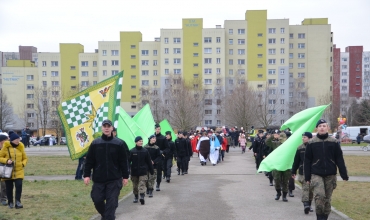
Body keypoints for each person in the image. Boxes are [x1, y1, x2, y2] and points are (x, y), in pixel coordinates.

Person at [83, 119, 129, 219]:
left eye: (109, 126)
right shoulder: (95, 143)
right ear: (102, 128)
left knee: (111, 203)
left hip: (114, 179)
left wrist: (125, 176)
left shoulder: (119, 144)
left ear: (112, 128)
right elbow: (89, 160)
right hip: (99, 179)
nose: (107, 128)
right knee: (97, 199)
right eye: (105, 126)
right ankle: (107, 216)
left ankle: (108, 216)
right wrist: (86, 175)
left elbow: (123, 162)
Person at [304, 119, 348, 220]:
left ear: (327, 127)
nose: (322, 128)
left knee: (327, 199)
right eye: (320, 126)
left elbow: (339, 159)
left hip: (330, 174)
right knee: (319, 196)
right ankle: (319, 217)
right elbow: (307, 161)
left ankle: (324, 217)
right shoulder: (311, 143)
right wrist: (307, 177)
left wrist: (343, 174)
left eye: (324, 126)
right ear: (317, 128)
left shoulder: (333, 142)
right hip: (316, 174)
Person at [0, 132, 28, 209]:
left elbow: (25, 158)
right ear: (12, 140)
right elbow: (0, 157)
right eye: (16, 139)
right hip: (8, 172)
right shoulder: (5, 147)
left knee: (19, 186)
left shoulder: (21, 147)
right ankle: (10, 202)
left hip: (19, 171)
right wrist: (6, 160)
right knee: (9, 188)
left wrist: (23, 164)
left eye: (18, 139)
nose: (17, 140)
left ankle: (18, 202)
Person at [292, 132, 314, 214]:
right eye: (302, 137)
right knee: (305, 188)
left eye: (304, 137)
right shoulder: (300, 148)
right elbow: (296, 161)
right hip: (303, 172)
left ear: (309, 138)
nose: (303, 138)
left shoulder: (314, 147)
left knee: (311, 190)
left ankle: (309, 204)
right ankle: (306, 204)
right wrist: (293, 171)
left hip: (313, 172)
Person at [266, 130, 290, 202]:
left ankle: (285, 195)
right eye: (280, 139)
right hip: (277, 165)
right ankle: (278, 193)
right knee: (277, 180)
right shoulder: (276, 144)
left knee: (285, 181)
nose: (281, 140)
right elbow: (267, 142)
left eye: (283, 139)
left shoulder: (289, 145)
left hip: (286, 165)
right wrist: (273, 136)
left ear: (286, 138)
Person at [129, 136, 154, 205]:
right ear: (136, 142)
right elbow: (128, 161)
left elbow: (149, 161)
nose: (141, 142)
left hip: (143, 171)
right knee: (135, 185)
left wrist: (151, 170)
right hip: (134, 171)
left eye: (142, 141)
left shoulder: (145, 151)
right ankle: (136, 196)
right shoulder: (132, 151)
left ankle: (142, 196)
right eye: (139, 141)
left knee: (142, 184)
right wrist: (128, 170)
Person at [154, 124, 169, 191]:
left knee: (159, 172)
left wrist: (162, 152)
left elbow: (167, 148)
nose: (158, 130)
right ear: (155, 129)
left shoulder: (163, 138)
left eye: (159, 129)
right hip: (152, 157)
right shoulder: (152, 137)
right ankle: (149, 187)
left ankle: (158, 184)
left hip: (160, 157)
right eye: (157, 129)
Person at [0, 133, 9, 206]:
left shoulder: (7, 149)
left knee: (4, 185)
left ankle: (3, 199)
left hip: (4, 169)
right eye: (6, 140)